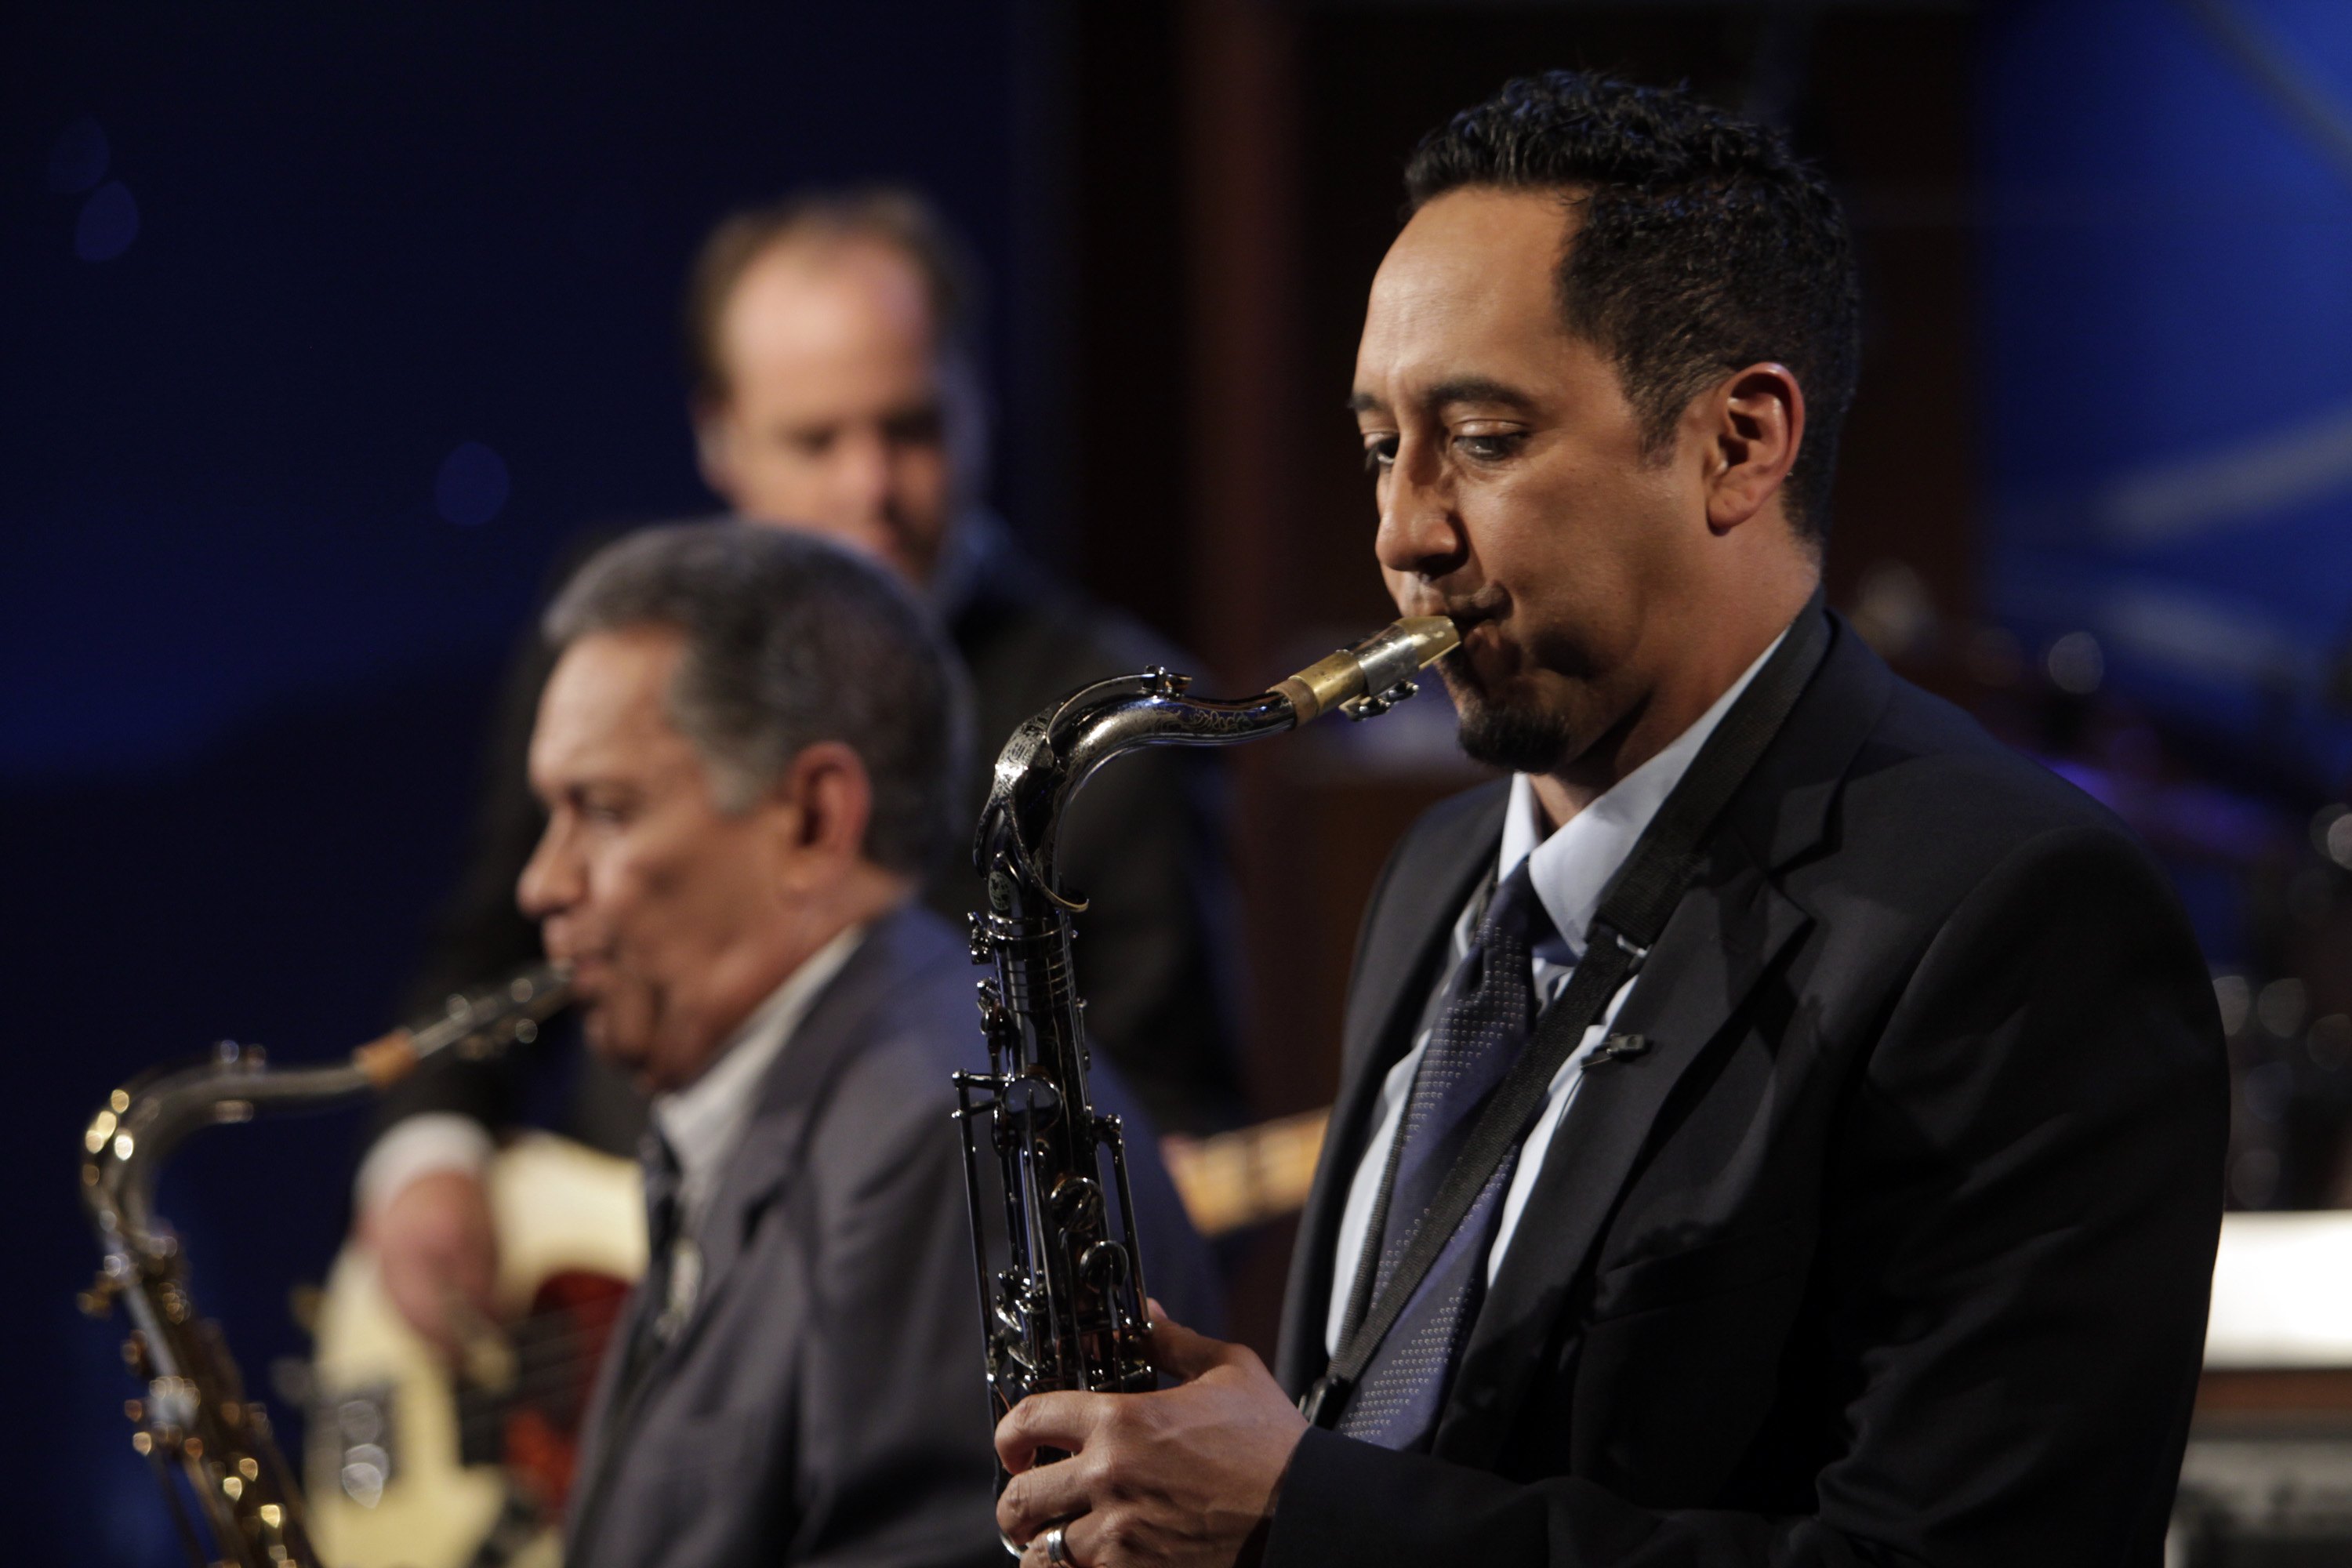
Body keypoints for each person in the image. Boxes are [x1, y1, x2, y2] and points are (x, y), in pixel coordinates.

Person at [989, 72, 2227, 1566]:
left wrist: (1310, 1509)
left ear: (1740, 443)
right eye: (1385, 442)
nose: (1402, 531)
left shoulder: (2021, 918)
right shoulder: (1438, 875)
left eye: (1486, 438)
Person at [362, 190, 1241, 1356]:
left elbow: (1174, 1136)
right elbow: (492, 948)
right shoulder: (616, 639)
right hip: (588, 1339)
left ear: (980, 404)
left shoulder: (1118, 723)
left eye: (913, 428)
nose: (870, 489)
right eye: (816, 441)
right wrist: (428, 1157)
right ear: (716, 437)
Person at [503, 521, 1210, 1567]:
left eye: (600, 811)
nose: (543, 883)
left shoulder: (930, 1138)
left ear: (812, 819)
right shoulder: (835, 1094)